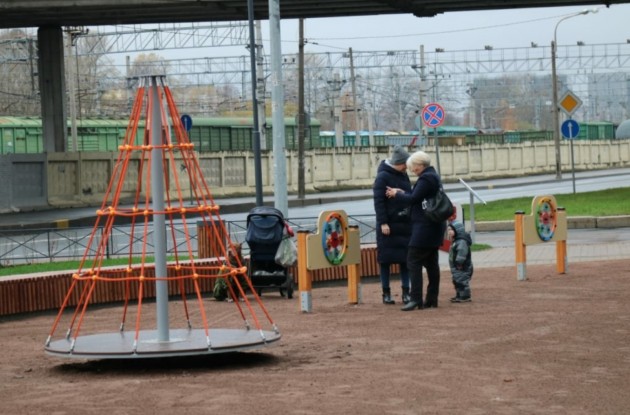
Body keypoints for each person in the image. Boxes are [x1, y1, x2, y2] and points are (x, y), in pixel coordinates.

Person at [385, 150, 446, 311]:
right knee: (431, 263)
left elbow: (413, 199)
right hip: (434, 227)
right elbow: (417, 195)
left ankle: (415, 298)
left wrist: (396, 194)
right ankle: (431, 299)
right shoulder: (433, 176)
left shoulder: (426, 178)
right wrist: (402, 192)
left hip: (425, 228)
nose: (412, 170)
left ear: (420, 165)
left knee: (413, 261)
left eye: (413, 167)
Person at [372, 145, 412, 305]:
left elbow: (410, 195)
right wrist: (383, 223)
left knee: (405, 261)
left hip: (404, 224)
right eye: (405, 164)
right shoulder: (382, 177)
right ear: (399, 163)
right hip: (388, 226)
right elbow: (379, 202)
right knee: (385, 261)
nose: (407, 167)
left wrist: (401, 193)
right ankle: (386, 293)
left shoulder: (403, 175)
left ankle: (406, 292)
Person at [447, 221, 473, 303]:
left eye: (451, 230)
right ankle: (459, 294)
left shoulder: (461, 241)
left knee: (462, 281)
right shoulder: (456, 241)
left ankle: (465, 296)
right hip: (456, 267)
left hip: (462, 266)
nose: (449, 232)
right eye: (448, 230)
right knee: (457, 280)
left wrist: (459, 262)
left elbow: (462, 252)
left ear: (457, 230)